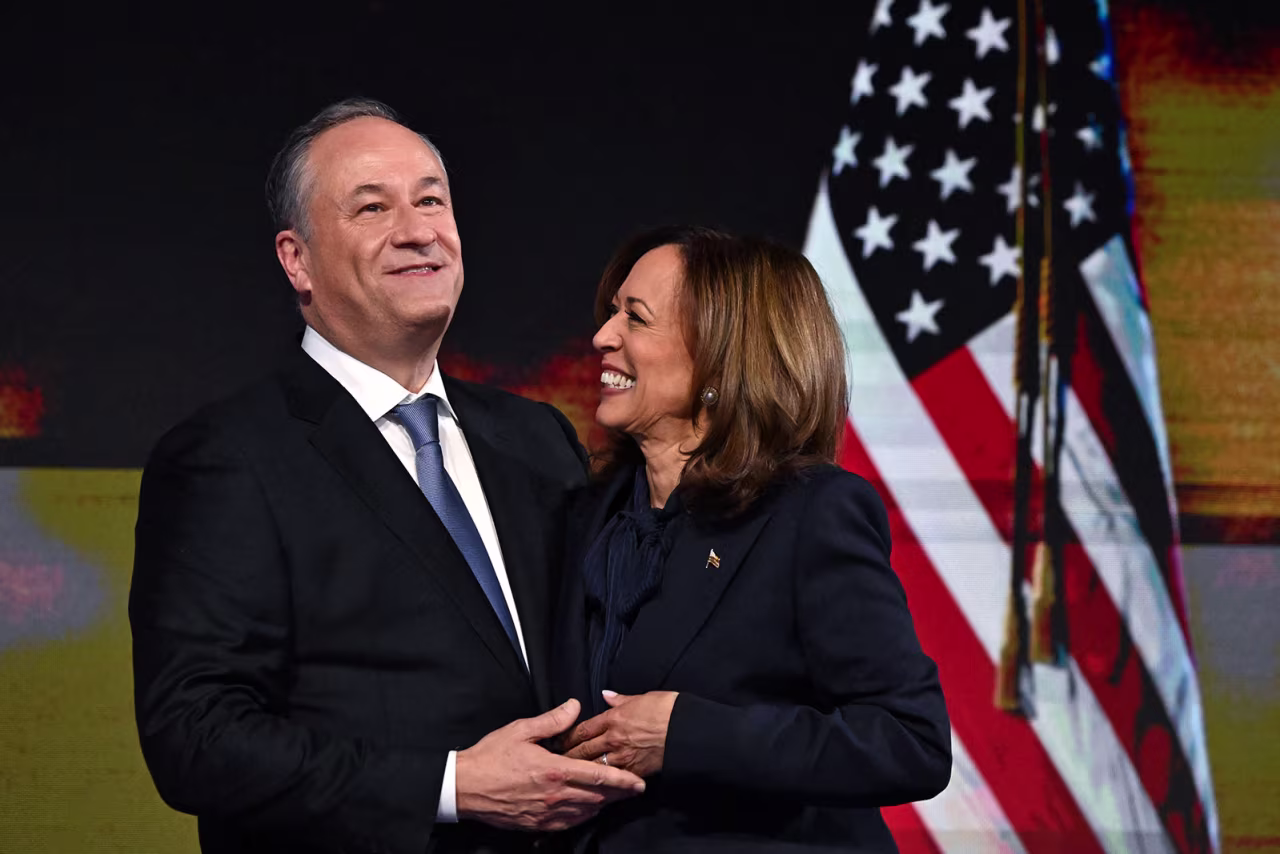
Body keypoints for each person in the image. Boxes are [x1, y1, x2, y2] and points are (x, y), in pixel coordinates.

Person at [128, 98, 645, 854]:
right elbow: (196, 739)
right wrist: (449, 787)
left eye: (431, 199)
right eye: (372, 207)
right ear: (296, 259)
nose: (417, 229)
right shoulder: (226, 459)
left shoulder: (535, 437)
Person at [551, 226, 952, 852]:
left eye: (637, 318)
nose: (603, 336)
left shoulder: (809, 514)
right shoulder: (582, 517)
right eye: (610, 313)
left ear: (719, 355)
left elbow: (910, 741)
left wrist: (686, 734)